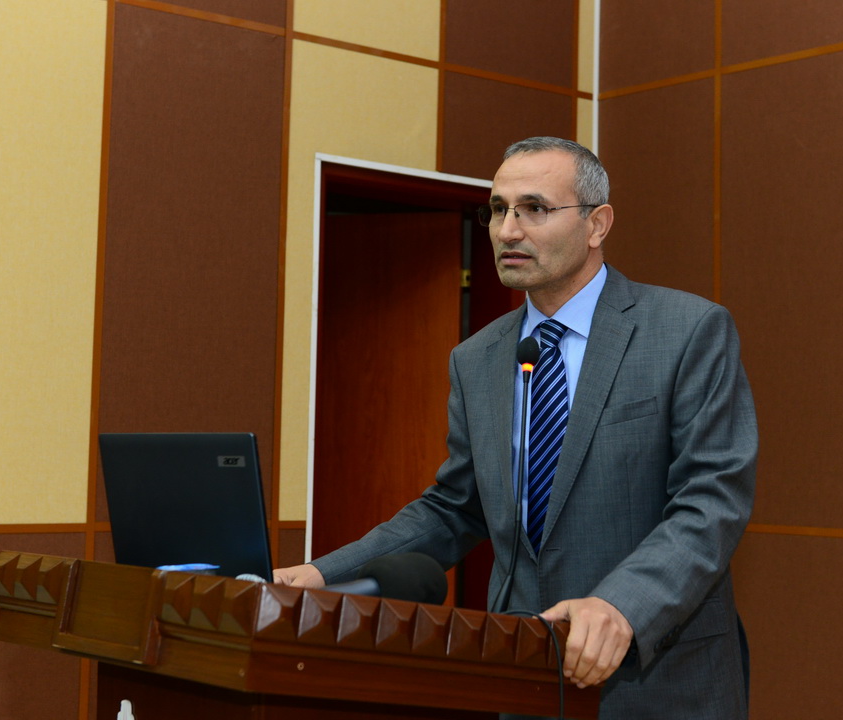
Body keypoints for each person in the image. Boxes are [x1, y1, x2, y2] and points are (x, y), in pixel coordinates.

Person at [274, 137, 757, 719]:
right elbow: (455, 507)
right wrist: (324, 573)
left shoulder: (687, 331)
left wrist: (622, 605)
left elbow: (711, 501)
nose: (507, 230)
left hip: (659, 679)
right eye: (498, 210)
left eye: (534, 209)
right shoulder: (476, 358)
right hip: (523, 673)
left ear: (597, 224)